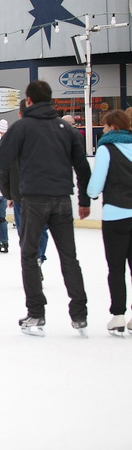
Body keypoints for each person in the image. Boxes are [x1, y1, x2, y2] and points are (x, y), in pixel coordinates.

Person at [0, 79, 91, 336]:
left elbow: (2, 162)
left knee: (29, 255)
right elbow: (82, 168)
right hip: (62, 200)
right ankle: (79, 314)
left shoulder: (22, 128)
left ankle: (36, 313)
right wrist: (84, 201)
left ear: (28, 101)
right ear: (50, 100)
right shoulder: (66, 128)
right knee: (69, 257)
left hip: (34, 201)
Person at [86, 109, 132, 334]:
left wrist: (90, 194)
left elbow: (95, 186)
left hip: (116, 214)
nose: (102, 129)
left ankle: (119, 315)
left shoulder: (106, 149)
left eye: (104, 126)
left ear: (113, 127)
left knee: (116, 268)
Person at [0, 103, 49, 272]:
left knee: (25, 230)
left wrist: (9, 194)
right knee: (40, 228)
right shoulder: (51, 132)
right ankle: (38, 257)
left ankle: (33, 258)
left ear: (20, 113)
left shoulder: (12, 136)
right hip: (45, 192)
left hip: (22, 193)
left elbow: (3, 168)